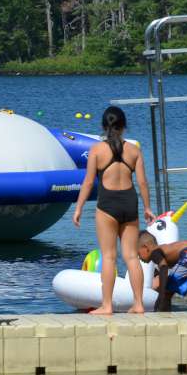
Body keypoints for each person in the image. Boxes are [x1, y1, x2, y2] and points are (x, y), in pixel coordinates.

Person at [73, 106, 154, 315]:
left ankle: (107, 306)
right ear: (124, 126)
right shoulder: (134, 150)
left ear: (103, 126)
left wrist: (79, 208)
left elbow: (89, 182)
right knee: (131, 257)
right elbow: (143, 182)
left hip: (107, 205)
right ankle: (138, 304)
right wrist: (147, 207)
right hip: (129, 203)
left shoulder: (97, 150)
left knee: (109, 257)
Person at [136, 232, 187, 311]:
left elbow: (164, 267)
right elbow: (164, 270)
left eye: (138, 253)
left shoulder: (154, 252)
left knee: (166, 294)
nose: (139, 257)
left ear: (145, 247)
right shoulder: (165, 249)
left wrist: (161, 295)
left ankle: (164, 319)